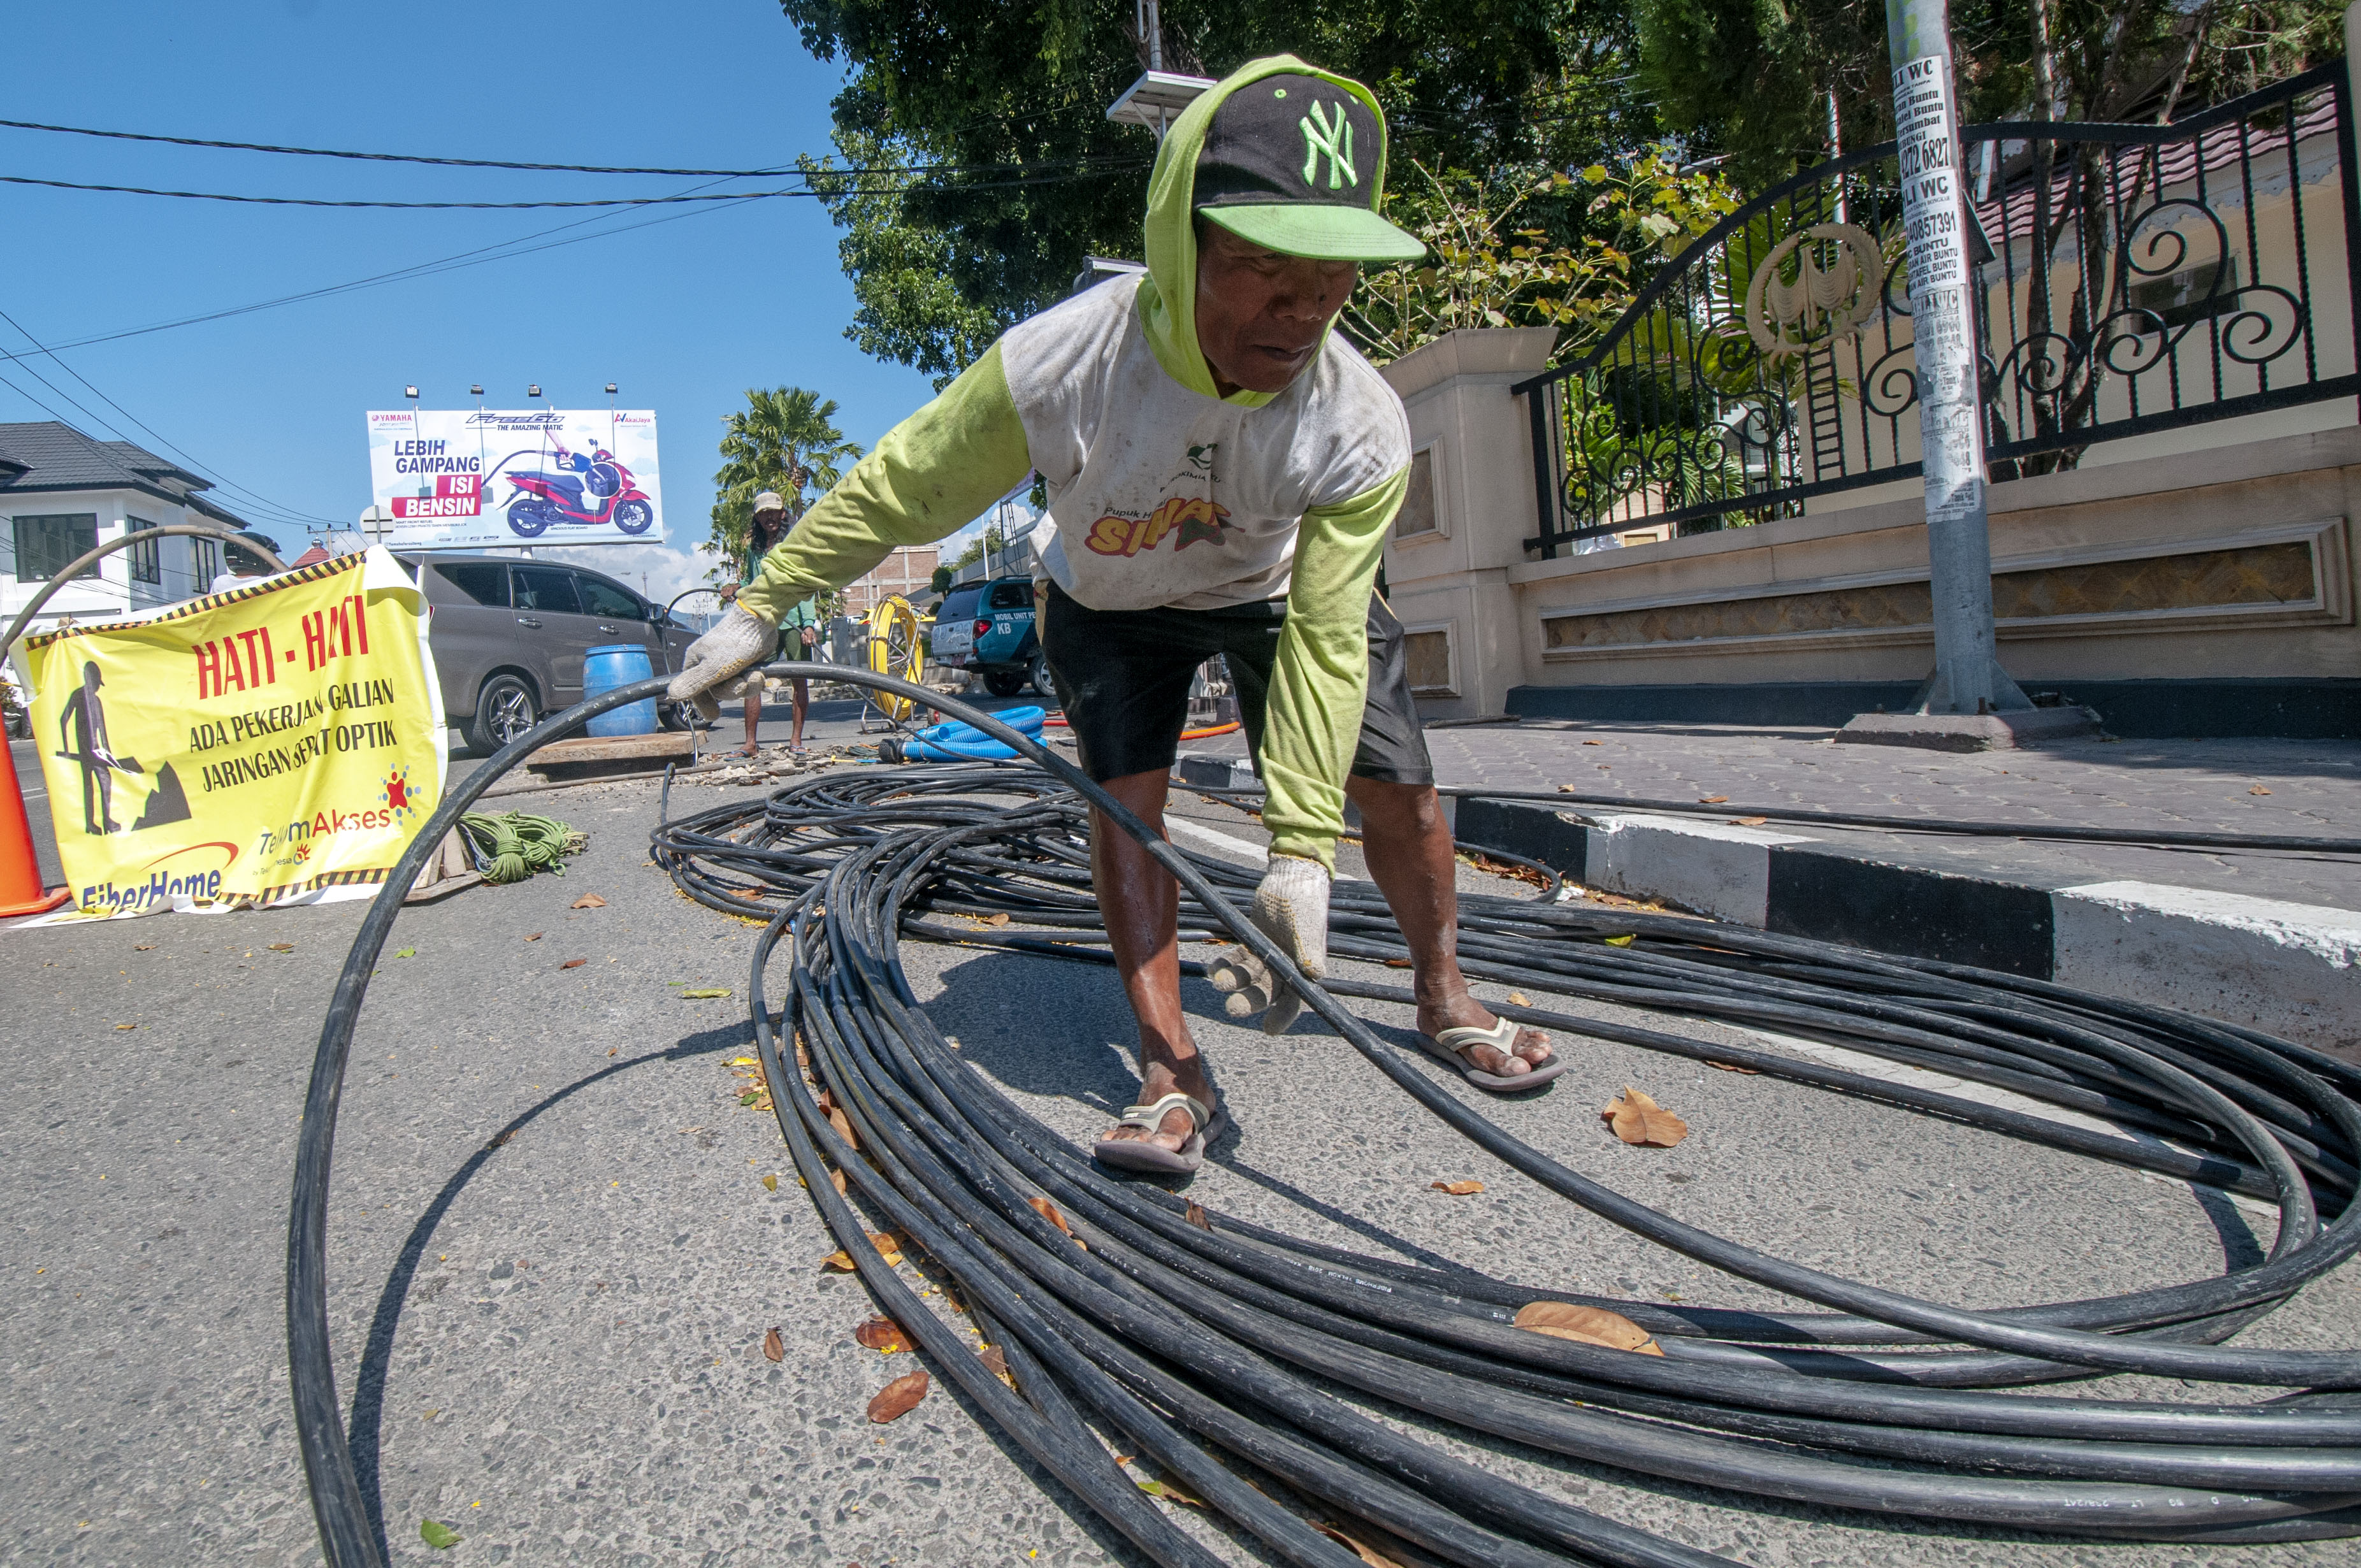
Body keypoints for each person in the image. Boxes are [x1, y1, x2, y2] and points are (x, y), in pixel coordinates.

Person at [671, 57, 1558, 1173]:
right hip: (1111, 599)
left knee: (1403, 790)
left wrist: (1297, 853)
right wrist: (763, 603)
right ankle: (1168, 1063)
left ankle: (1444, 992)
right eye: (1264, 268)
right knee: (1130, 812)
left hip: (1276, 594)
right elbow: (910, 482)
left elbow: (1333, 635)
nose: (1303, 310)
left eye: (1333, 276)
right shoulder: (1067, 363)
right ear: (1184, 242)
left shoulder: (1360, 422)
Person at [716, 488, 816, 756]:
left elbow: (805, 582)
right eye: (763, 514)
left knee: (799, 680)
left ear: (783, 514)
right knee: (753, 679)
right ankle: (750, 743)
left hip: (793, 619)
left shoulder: (794, 543)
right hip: (764, 622)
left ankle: (796, 740)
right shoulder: (755, 549)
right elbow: (752, 584)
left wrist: (809, 623)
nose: (769, 517)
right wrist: (736, 588)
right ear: (758, 519)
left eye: (773, 512)